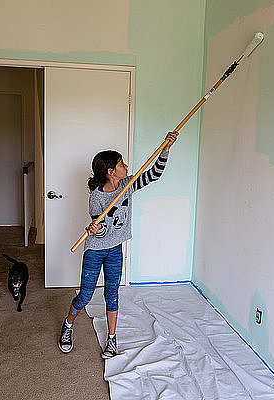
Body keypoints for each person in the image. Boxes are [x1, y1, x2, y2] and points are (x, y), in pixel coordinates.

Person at [58, 131, 178, 359]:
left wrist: (166, 148)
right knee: (85, 295)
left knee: (112, 295)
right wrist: (96, 228)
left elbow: (154, 174)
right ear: (110, 171)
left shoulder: (128, 184)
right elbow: (102, 230)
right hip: (95, 250)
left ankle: (112, 340)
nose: (126, 166)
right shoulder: (97, 196)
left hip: (115, 249)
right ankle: (68, 325)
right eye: (121, 164)